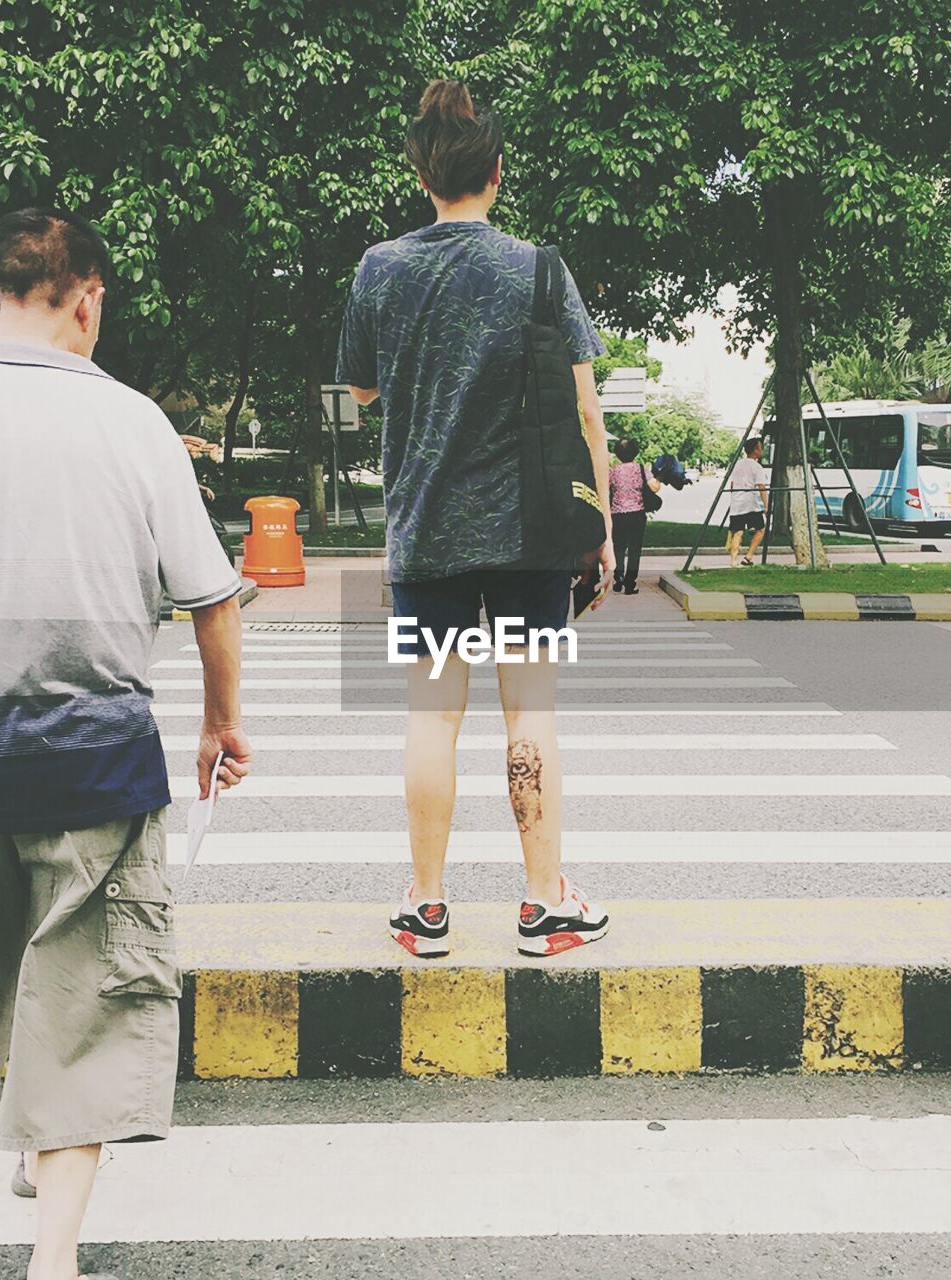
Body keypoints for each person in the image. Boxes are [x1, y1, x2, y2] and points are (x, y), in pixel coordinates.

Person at [0, 207, 251, 1280]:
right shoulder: (133, 422)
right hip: (92, 759)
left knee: (2, 975)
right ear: (86, 300)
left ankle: (33, 1147)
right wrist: (219, 722)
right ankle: (55, 1255)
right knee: (90, 994)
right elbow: (212, 599)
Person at [337, 79, 613, 959]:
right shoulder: (539, 268)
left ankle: (426, 906)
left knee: (432, 718)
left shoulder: (381, 267)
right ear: (498, 172)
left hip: (426, 534)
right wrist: (598, 525)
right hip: (533, 536)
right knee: (530, 713)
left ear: (424, 175)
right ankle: (544, 906)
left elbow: (363, 385)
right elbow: (584, 414)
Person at [608, 437, 661, 593]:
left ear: (617, 453)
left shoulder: (612, 471)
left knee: (618, 547)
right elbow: (655, 488)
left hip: (617, 514)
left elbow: (606, 489)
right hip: (637, 514)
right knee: (634, 549)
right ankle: (630, 583)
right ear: (635, 452)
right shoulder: (641, 469)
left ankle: (618, 579)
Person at [727, 435, 770, 567]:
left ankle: (733, 561)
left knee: (738, 532)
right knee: (761, 529)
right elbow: (761, 487)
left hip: (737, 502)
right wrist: (766, 505)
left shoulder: (737, 464)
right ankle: (749, 556)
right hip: (750, 503)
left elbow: (732, 484)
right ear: (756, 449)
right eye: (761, 447)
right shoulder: (757, 467)